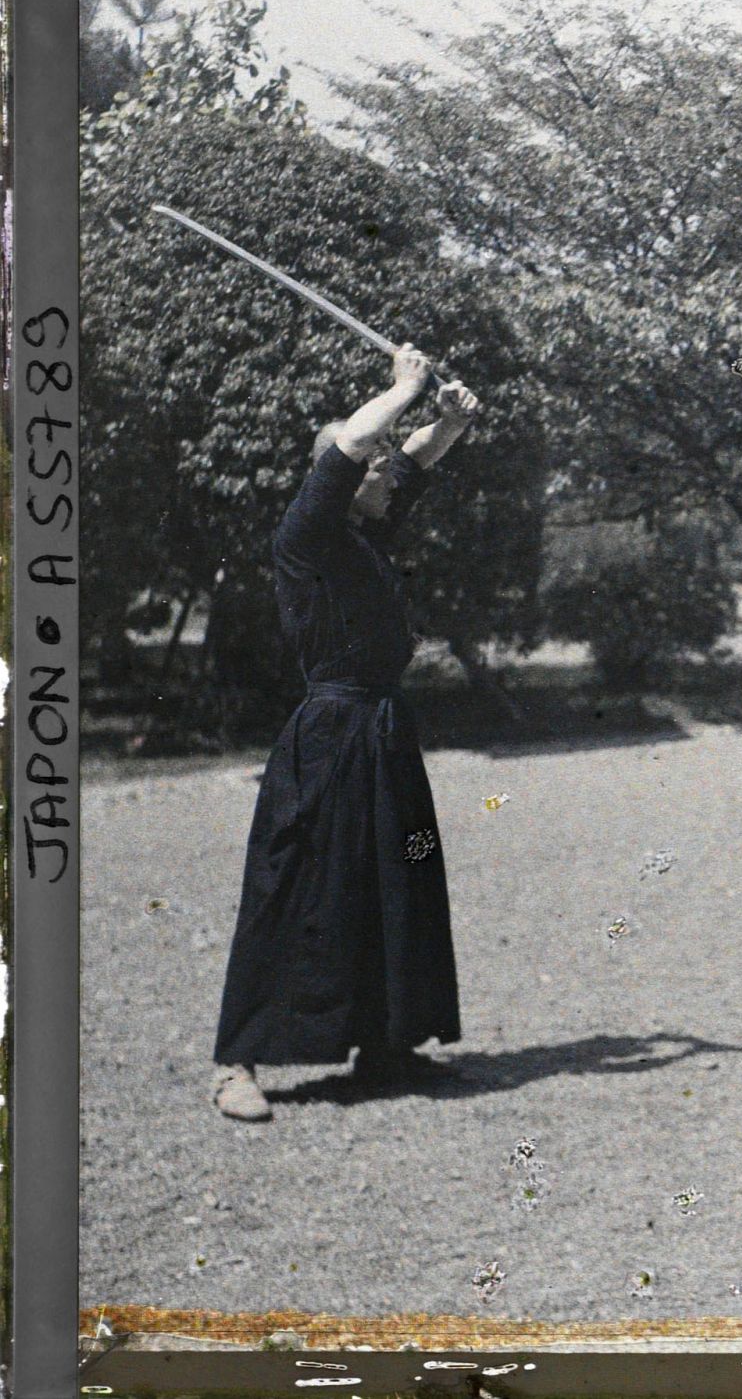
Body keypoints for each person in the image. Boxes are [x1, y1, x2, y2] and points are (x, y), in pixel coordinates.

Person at [211, 347, 482, 1121]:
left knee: (399, 879)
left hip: (386, 733)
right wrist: (403, 388)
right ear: (333, 477)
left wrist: (453, 418)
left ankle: (387, 1044)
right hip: (327, 735)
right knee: (289, 887)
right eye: (367, 468)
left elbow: (411, 459)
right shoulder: (307, 536)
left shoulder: (367, 533)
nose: (382, 474)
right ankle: (235, 1064)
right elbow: (355, 448)